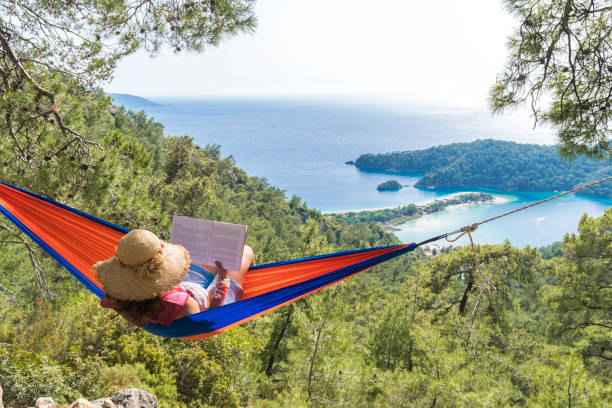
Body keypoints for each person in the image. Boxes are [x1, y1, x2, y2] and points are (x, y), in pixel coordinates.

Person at [94, 229, 254, 327]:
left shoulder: (117, 293)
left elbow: (105, 302)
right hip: (213, 299)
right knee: (246, 251)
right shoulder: (180, 304)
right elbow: (209, 320)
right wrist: (222, 281)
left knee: (212, 251)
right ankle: (251, 295)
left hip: (181, 286)